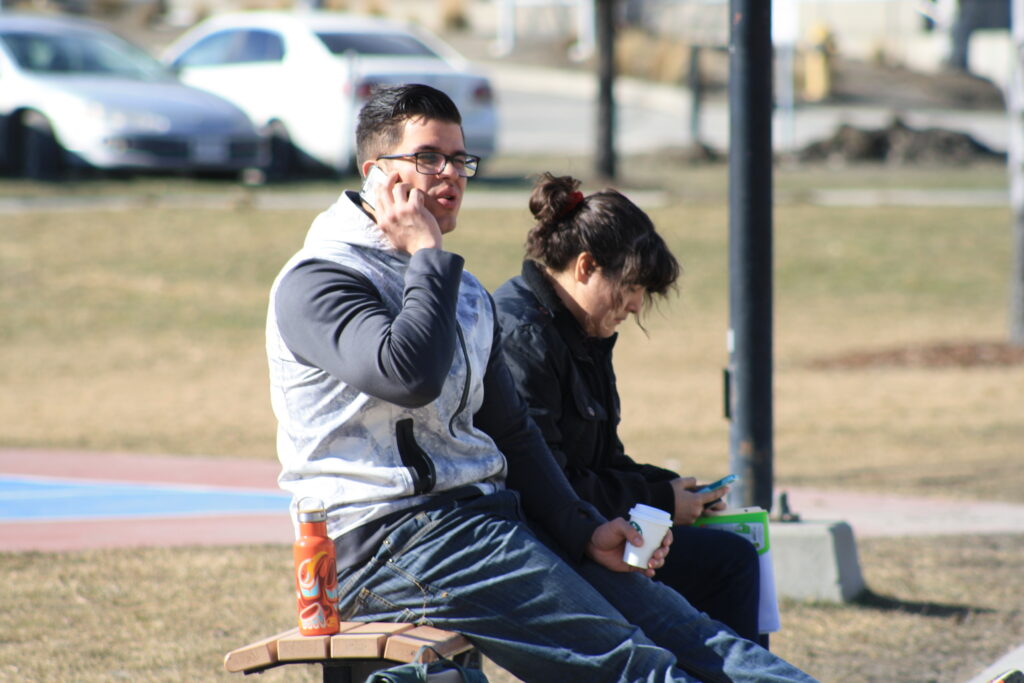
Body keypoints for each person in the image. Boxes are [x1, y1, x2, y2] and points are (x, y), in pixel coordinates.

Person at [266, 83, 815, 682]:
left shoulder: (462, 291)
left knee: (696, 636)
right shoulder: (319, 281)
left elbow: (513, 432)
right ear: (377, 174)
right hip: (389, 542)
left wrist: (585, 530)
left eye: (460, 159)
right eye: (428, 158)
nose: (450, 174)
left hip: (486, 521)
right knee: (635, 666)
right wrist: (426, 251)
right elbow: (408, 374)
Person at [492, 173, 764, 644]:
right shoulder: (525, 339)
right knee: (730, 564)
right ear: (585, 267)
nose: (637, 305)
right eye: (632, 286)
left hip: (584, 531)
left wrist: (673, 490)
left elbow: (600, 462)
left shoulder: (581, 330)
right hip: (544, 545)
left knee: (733, 554)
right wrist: (660, 502)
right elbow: (543, 485)